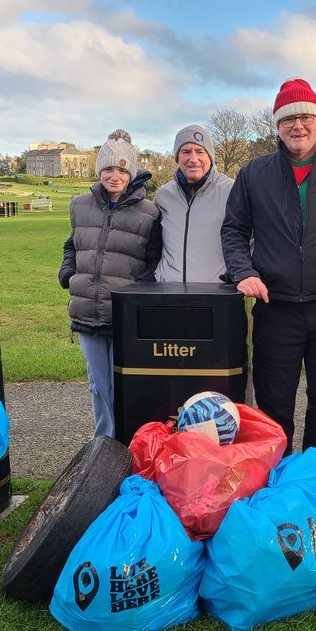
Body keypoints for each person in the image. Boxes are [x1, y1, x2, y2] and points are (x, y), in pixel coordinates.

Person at [221, 78, 316, 465]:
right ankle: (276, 477)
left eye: (306, 117)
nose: (298, 126)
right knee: (275, 403)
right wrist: (243, 271)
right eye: (289, 119)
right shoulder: (254, 174)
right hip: (277, 308)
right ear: (277, 126)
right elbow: (234, 230)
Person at [59, 129, 161, 438]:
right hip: (86, 311)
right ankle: (103, 443)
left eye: (121, 170)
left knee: (125, 383)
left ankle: (128, 442)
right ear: (98, 170)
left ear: (131, 173)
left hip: (123, 315)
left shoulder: (150, 212)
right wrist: (68, 274)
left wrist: (135, 295)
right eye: (107, 168)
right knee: (98, 384)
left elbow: (153, 261)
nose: (114, 176)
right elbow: (71, 246)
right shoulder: (79, 205)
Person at [154, 125, 233, 283]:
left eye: (200, 151)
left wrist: (236, 275)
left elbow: (252, 240)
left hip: (217, 296)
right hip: (169, 295)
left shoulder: (232, 191)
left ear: (210, 156)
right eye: (186, 152)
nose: (193, 159)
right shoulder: (163, 195)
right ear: (177, 157)